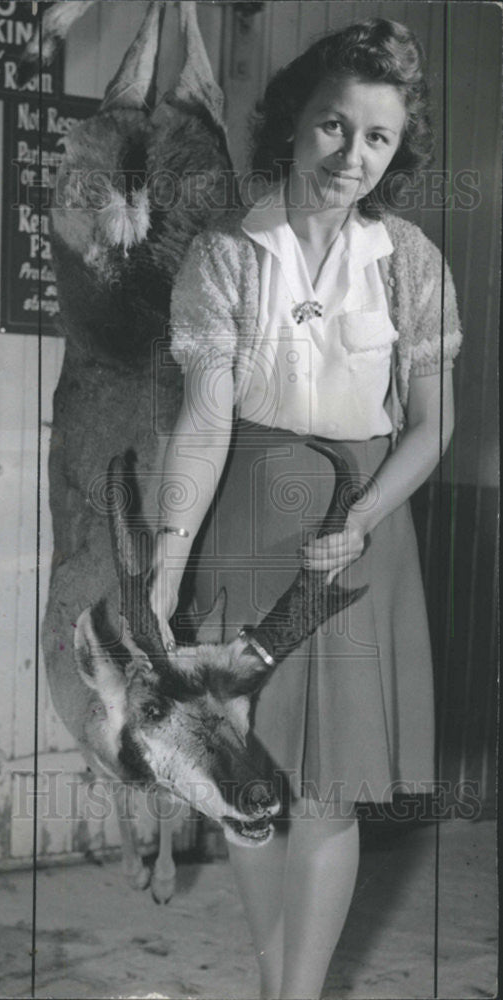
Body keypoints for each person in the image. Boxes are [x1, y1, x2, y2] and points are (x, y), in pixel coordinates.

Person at [149, 18, 462, 1000]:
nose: (351, 155)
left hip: (363, 535)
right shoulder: (226, 256)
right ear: (292, 122)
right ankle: (275, 975)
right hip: (250, 521)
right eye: (334, 125)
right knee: (252, 787)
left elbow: (431, 426)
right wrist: (162, 573)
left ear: (397, 148)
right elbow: (203, 423)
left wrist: (366, 514)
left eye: (376, 137)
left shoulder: (411, 260)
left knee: (330, 795)